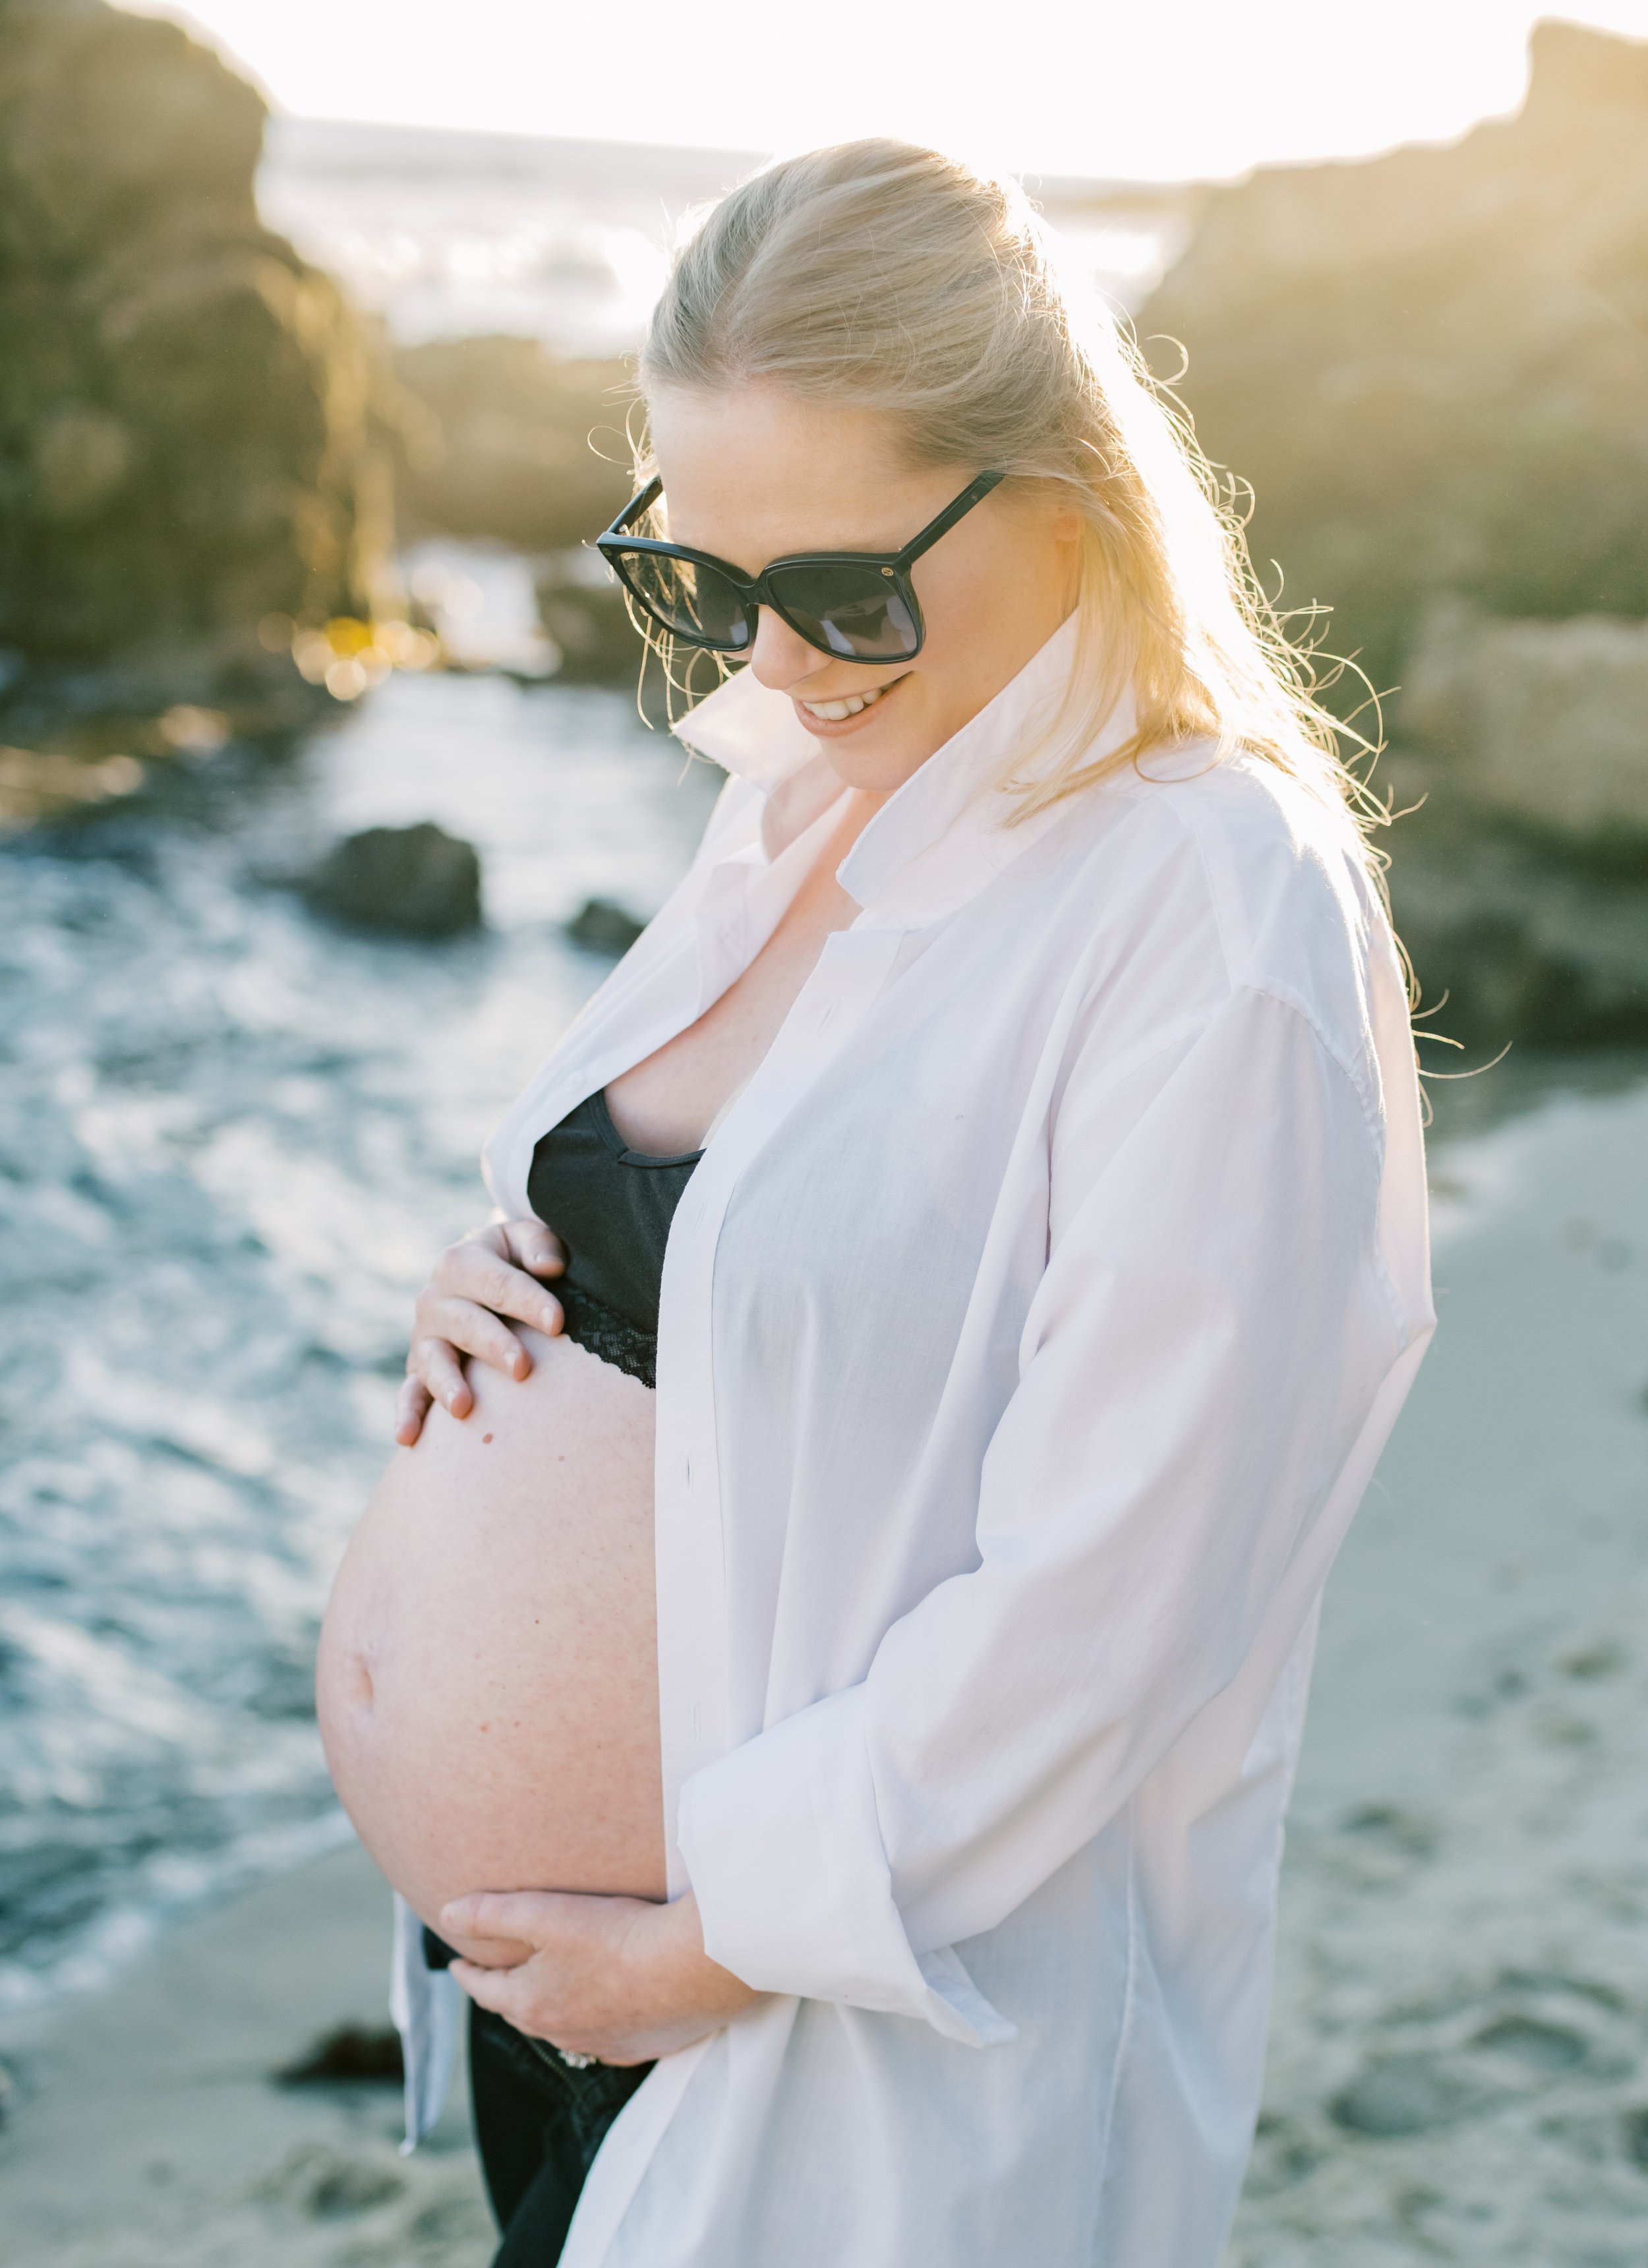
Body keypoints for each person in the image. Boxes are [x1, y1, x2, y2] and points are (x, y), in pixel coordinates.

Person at [376, 141, 1433, 2267]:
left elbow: (1114, 1599)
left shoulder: (1205, 905)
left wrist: (710, 1947)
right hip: (583, 2004)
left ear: (1060, 489)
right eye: (694, 584)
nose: (774, 659)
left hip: (851, 2038)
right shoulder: (789, 801)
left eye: (845, 589)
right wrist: (499, 1306)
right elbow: (730, 1289)